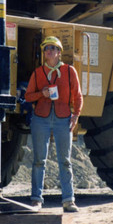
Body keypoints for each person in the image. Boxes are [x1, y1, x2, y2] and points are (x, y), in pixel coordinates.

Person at [25, 36, 83, 212]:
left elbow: (78, 95)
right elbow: (28, 96)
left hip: (63, 119)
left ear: (59, 52)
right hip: (40, 119)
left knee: (65, 161)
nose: (48, 51)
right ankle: (36, 200)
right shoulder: (37, 73)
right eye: (45, 49)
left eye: (51, 48)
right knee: (38, 161)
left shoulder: (69, 71)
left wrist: (75, 116)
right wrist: (41, 93)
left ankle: (68, 200)